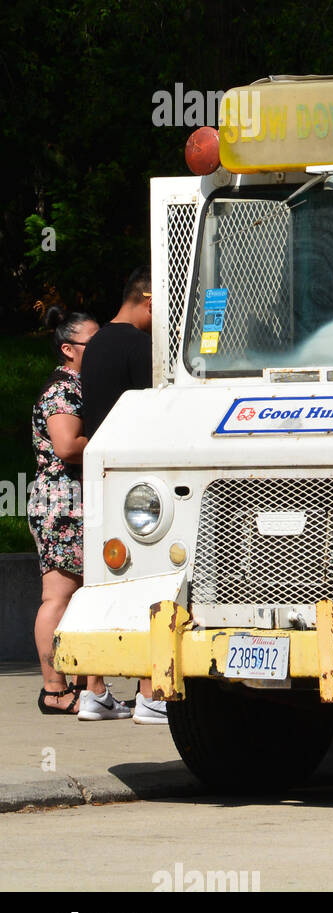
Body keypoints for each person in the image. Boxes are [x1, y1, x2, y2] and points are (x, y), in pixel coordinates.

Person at [28, 308, 131, 719]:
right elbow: (68, 446)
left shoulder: (82, 385)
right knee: (58, 596)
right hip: (63, 503)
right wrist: (115, 438)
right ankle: (55, 690)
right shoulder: (62, 389)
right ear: (69, 349)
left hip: (78, 501)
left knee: (84, 595)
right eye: (94, 342)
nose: (102, 349)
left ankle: (91, 689)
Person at [79, 266, 168, 724]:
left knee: (101, 581)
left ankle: (93, 691)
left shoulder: (94, 344)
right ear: (149, 301)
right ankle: (152, 694)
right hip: (139, 481)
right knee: (149, 579)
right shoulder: (141, 346)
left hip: (98, 471)